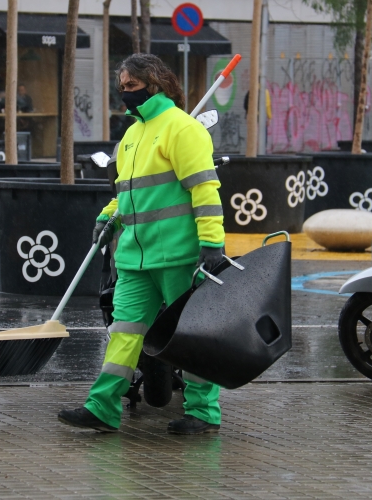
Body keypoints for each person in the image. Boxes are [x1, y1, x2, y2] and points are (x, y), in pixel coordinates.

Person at [58, 53, 225, 435]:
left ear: (156, 84)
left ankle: (203, 413)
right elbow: (128, 192)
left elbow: (204, 188)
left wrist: (212, 244)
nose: (125, 94)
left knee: (192, 334)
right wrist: (108, 214)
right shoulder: (132, 135)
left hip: (179, 255)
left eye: (131, 86)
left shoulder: (183, 129)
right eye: (121, 88)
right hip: (135, 256)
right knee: (124, 333)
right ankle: (102, 407)